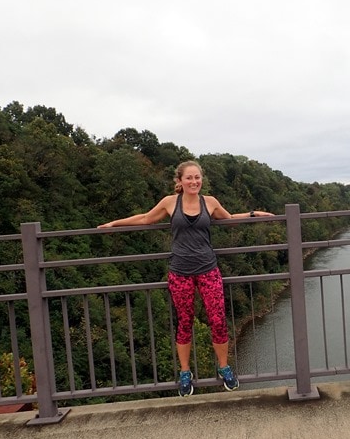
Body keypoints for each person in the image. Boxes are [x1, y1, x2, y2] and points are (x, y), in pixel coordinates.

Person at [98, 160, 274, 396]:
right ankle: (184, 372)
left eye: (197, 177)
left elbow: (230, 218)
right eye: (189, 178)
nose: (194, 181)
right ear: (179, 180)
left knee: (218, 320)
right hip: (180, 272)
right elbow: (146, 218)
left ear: (202, 179)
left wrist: (253, 214)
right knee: (185, 322)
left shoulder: (209, 202)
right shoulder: (170, 202)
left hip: (208, 269)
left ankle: (224, 367)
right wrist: (115, 223)